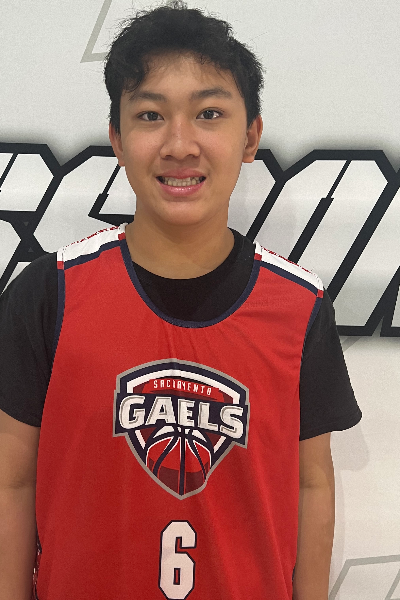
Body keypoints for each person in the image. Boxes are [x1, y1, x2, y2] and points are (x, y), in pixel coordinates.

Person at [0, 2, 362, 599]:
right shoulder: (48, 294)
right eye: (150, 115)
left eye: (208, 113)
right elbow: (12, 484)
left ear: (250, 137)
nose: (179, 144)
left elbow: (311, 485)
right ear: (117, 139)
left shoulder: (299, 305)